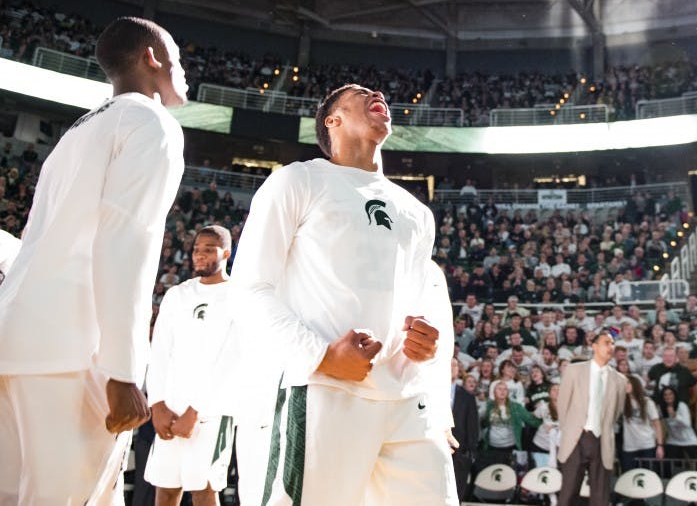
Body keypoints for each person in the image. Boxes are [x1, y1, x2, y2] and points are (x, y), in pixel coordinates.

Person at [231, 84, 456, 505]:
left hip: (406, 396)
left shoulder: (418, 213)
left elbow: (416, 300)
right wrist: (321, 355)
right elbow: (248, 288)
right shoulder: (298, 180)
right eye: (359, 92)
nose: (378, 93)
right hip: (324, 388)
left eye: (380, 93)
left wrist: (425, 341)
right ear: (331, 121)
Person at [0, 17, 187, 504]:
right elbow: (126, 241)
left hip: (17, 338)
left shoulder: (76, 133)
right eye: (176, 59)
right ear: (151, 58)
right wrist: (123, 370)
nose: (182, 70)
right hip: (71, 348)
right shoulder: (152, 123)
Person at [145, 226, 239, 506]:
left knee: (204, 491)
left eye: (208, 249)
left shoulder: (238, 296)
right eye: (197, 248)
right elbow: (160, 351)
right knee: (165, 490)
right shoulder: (178, 294)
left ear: (226, 252)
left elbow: (230, 360)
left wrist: (195, 411)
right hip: (170, 410)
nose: (199, 254)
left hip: (211, 414)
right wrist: (158, 404)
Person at [556, 329, 627, 506]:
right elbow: (563, 405)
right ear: (594, 346)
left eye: (612, 344)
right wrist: (571, 430)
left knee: (600, 497)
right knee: (568, 494)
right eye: (606, 343)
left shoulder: (620, 380)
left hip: (602, 441)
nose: (610, 347)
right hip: (576, 439)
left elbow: (616, 412)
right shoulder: (573, 370)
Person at [620, 374, 665, 471]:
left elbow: (657, 424)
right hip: (629, 446)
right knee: (629, 477)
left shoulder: (647, 402)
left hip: (647, 444)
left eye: (628, 383)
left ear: (635, 385)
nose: (625, 385)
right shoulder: (622, 402)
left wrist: (660, 445)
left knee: (649, 476)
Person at [451, 358, 479, 499]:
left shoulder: (467, 397)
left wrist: (470, 454)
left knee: (456, 495)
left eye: (455, 365)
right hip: (433, 450)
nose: (451, 367)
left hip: (459, 454)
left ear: (459, 370)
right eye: (448, 364)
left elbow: (473, 427)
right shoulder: (431, 392)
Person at [660, 386, 697, 462]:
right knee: (665, 463)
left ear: (674, 395)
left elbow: (687, 424)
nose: (668, 396)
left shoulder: (682, 405)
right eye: (665, 395)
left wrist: (675, 416)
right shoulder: (662, 408)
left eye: (670, 394)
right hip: (673, 440)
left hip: (689, 440)